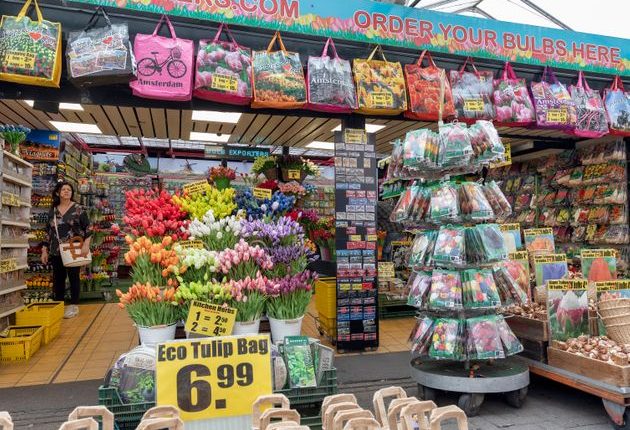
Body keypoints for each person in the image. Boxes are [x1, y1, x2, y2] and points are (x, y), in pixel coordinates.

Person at [41, 181, 91, 318]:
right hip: (56, 250)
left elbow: (88, 228)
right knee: (58, 279)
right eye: (63, 189)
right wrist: (44, 250)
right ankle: (59, 306)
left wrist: (86, 245)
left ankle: (74, 306)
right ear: (58, 193)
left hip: (74, 249)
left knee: (74, 277)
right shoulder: (53, 210)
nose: (67, 191)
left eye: (69, 189)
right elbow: (48, 231)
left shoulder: (78, 208)